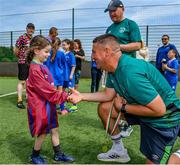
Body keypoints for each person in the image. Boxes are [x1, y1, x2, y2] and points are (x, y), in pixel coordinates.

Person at [68, 34, 180, 164]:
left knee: (165, 162)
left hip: (164, 120)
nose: (92, 56)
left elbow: (159, 110)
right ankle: (118, 150)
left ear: (107, 52)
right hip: (144, 110)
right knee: (105, 108)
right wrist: (81, 96)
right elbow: (108, 95)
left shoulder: (130, 73)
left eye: (94, 52)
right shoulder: (113, 69)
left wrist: (123, 107)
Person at [26, 35, 74, 164]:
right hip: (40, 106)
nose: (48, 55)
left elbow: (51, 89)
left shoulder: (43, 66)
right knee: (42, 132)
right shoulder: (35, 69)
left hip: (49, 105)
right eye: (46, 52)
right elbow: (48, 91)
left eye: (49, 52)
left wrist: (64, 94)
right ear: (36, 50)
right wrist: (67, 97)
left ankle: (58, 154)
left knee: (54, 129)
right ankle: (34, 156)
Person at [14, 23, 35, 109]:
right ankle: (19, 101)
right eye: (29, 28)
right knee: (22, 81)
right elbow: (16, 48)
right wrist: (20, 57)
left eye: (32, 28)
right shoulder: (22, 37)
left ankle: (28, 98)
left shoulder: (34, 39)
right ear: (26, 29)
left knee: (29, 81)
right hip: (23, 62)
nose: (31, 30)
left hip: (31, 62)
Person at [44, 37, 66, 112]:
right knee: (60, 92)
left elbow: (44, 64)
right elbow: (63, 65)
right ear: (59, 45)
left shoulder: (47, 54)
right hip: (59, 75)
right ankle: (62, 110)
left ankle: (49, 109)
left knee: (50, 93)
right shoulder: (61, 53)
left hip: (49, 76)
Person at [61, 39, 76, 113]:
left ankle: (74, 106)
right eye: (62, 45)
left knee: (71, 91)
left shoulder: (71, 54)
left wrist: (71, 75)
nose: (63, 46)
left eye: (64, 44)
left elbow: (73, 66)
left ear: (69, 45)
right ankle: (63, 106)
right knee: (63, 91)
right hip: (63, 77)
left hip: (69, 76)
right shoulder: (63, 54)